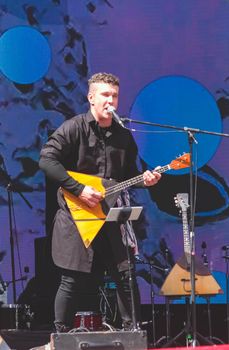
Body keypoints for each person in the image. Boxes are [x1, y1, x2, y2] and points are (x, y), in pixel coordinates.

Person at [39, 72, 161, 332]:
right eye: (105, 94)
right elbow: (47, 160)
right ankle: (60, 335)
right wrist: (79, 189)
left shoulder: (124, 136)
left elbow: (127, 176)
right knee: (70, 279)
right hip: (77, 216)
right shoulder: (74, 128)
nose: (111, 101)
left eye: (115, 95)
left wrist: (145, 180)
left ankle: (132, 331)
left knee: (126, 275)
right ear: (91, 97)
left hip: (110, 215)